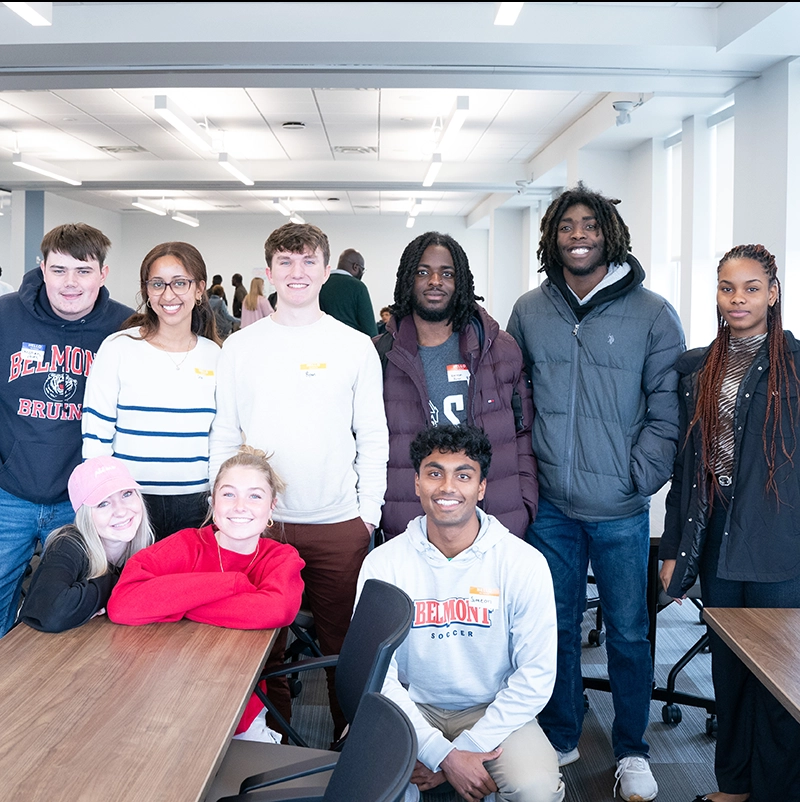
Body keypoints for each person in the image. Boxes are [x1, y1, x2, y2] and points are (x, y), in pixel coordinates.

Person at [507, 182, 685, 802]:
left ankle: (633, 748)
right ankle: (562, 733)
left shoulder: (654, 313)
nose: (578, 234)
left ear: (609, 234)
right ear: (551, 237)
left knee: (630, 633)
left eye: (589, 224)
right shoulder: (530, 309)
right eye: (566, 226)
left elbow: (669, 415)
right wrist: (531, 473)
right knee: (551, 627)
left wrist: (636, 478)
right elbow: (514, 401)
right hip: (552, 503)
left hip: (619, 510)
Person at [209, 222, 388, 739]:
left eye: (308, 261)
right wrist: (224, 509)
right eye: (285, 262)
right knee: (263, 644)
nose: (297, 272)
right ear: (269, 272)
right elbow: (224, 433)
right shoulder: (241, 348)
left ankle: (349, 736)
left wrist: (367, 514)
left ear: (326, 270)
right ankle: (273, 735)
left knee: (344, 645)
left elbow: (373, 435)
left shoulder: (353, 346)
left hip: (337, 524)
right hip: (260, 526)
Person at [660, 244, 800, 802]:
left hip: (777, 544)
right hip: (715, 536)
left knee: (779, 677)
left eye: (749, 288)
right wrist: (673, 545)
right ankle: (736, 784)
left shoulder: (796, 364)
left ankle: (777, 790)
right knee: (730, 669)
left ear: (772, 292)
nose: (737, 299)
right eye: (726, 287)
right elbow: (685, 465)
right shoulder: (696, 367)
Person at [357, 425, 563, 802]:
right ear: (417, 483)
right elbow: (376, 674)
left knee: (538, 791)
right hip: (409, 707)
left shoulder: (523, 563)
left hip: (493, 709)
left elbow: (536, 674)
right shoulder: (382, 564)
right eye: (434, 473)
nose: (447, 487)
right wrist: (440, 753)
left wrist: (464, 750)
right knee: (375, 789)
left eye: (463, 475)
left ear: (481, 488)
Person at [108, 445, 305, 737]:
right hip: (164, 693)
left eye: (254, 496)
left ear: (271, 506)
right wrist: (233, 584)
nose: (240, 506)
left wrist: (174, 603)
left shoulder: (281, 557)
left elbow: (276, 609)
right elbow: (122, 605)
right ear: (212, 502)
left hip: (240, 709)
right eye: (228, 494)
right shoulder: (186, 544)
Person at [0, 222, 133, 637]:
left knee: (78, 618)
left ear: (103, 274)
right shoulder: (4, 316)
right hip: (10, 495)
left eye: (83, 270)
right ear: (42, 268)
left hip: (83, 503)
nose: (70, 283)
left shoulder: (126, 328)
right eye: (59, 270)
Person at [375, 231, 537, 541]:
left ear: (460, 281)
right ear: (407, 279)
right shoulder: (381, 356)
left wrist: (525, 501)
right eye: (423, 272)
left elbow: (523, 432)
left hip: (495, 521)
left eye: (446, 273)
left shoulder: (500, 350)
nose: (435, 280)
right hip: (408, 524)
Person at [82, 242, 221, 542]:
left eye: (180, 283)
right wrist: (105, 500)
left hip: (197, 505)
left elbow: (221, 437)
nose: (168, 295)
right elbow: (96, 436)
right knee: (131, 587)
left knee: (187, 589)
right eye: (157, 284)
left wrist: (218, 499)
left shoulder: (216, 355)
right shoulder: (119, 347)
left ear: (199, 289)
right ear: (146, 290)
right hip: (131, 503)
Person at [19, 456, 152, 632]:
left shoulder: (148, 542)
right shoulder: (67, 545)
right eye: (103, 503)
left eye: (127, 494)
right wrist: (119, 582)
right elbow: (53, 613)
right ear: (85, 516)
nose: (121, 511)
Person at [318, 248, 378, 336]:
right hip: (351, 344)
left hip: (321, 340)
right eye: (362, 270)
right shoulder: (358, 287)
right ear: (356, 267)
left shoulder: (320, 283)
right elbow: (370, 329)